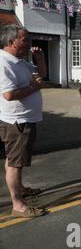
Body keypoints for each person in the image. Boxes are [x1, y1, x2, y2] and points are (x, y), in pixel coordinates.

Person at [0, 25, 48, 218]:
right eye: (25, 39)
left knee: (13, 160)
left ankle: (19, 188)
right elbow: (9, 94)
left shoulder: (19, 60)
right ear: (12, 42)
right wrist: (34, 87)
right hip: (17, 122)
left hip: (24, 119)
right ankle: (18, 205)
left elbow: (41, 76)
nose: (29, 43)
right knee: (15, 163)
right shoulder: (4, 63)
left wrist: (40, 59)